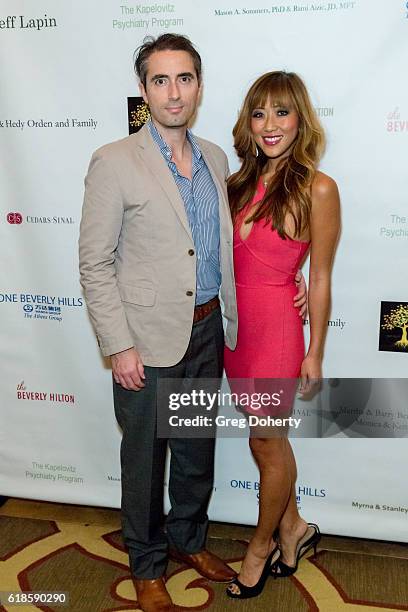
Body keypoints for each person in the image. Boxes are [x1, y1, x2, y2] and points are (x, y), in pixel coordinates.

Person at [79, 34, 307, 610]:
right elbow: (94, 262)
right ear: (144, 90)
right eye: (160, 80)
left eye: (184, 79)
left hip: (208, 332)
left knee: (195, 451)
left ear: (199, 87)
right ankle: (148, 564)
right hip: (146, 342)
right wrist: (119, 345)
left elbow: (235, 243)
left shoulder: (214, 157)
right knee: (144, 460)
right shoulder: (113, 160)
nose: (173, 92)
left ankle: (187, 540)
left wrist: (292, 277)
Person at [224, 71, 340, 599]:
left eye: (282, 112)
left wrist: (315, 349)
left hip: (277, 332)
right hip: (235, 333)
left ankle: (260, 545)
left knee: (266, 443)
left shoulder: (318, 187)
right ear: (248, 122)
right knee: (269, 444)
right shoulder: (235, 184)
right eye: (259, 113)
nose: (270, 125)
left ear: (301, 119)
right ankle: (294, 529)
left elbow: (318, 275)